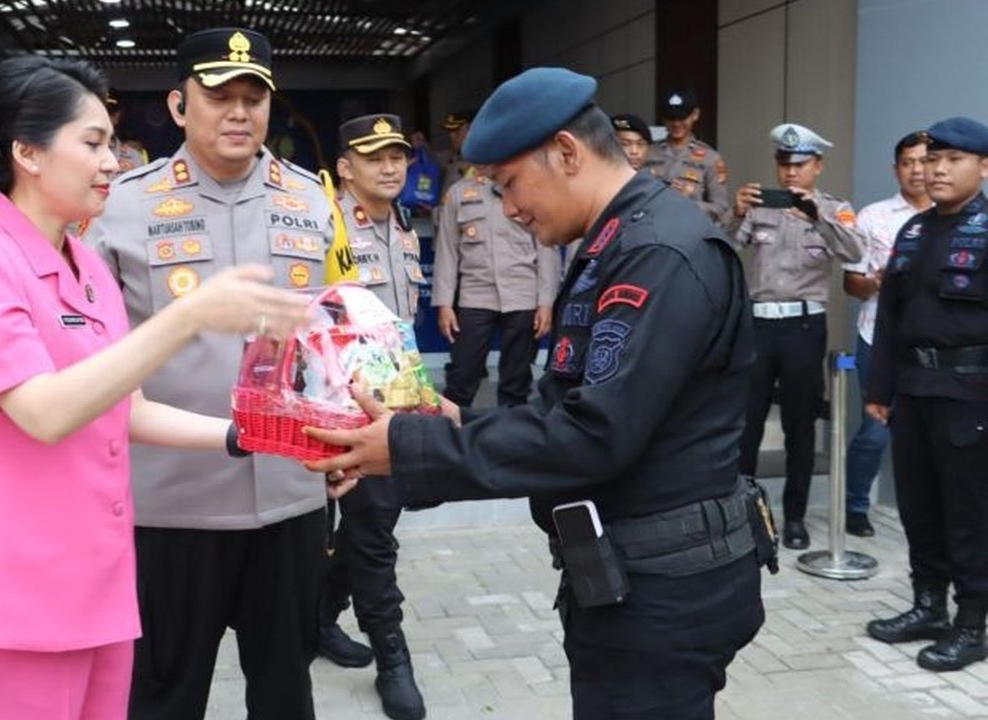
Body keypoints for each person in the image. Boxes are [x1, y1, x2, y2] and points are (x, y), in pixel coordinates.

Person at [308, 66, 767, 720]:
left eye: (509, 184)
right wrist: (456, 419)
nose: (510, 208)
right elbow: (567, 403)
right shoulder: (613, 243)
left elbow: (594, 435)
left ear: (567, 152)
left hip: (667, 590)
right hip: (628, 576)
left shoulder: (661, 252)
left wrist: (414, 447)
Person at [0, 56, 309, 720]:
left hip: (100, 575)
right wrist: (188, 317)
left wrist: (247, 437)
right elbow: (44, 411)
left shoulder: (85, 268)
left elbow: (127, 408)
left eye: (111, 143)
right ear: (27, 153)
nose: (112, 162)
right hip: (18, 582)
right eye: (93, 143)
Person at [86, 28, 345, 720]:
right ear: (177, 106)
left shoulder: (313, 199)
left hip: (290, 498)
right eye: (219, 96)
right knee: (163, 695)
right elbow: (98, 363)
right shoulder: (120, 207)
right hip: (173, 505)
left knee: (287, 690)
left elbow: (336, 336)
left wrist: (354, 430)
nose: (238, 112)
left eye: (253, 98)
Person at [863, 116, 988, 673]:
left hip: (972, 393)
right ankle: (928, 606)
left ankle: (972, 623)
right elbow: (890, 317)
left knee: (969, 513)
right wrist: (881, 387)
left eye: (952, 160)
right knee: (919, 506)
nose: (936, 170)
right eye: (930, 160)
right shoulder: (914, 232)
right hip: (914, 390)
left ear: (982, 168)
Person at [317, 113, 427, 720]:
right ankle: (394, 658)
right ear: (345, 167)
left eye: (398, 156)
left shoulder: (403, 225)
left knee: (364, 528)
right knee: (374, 531)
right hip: (342, 405)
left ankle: (318, 620)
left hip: (396, 401)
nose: (390, 167)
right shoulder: (325, 224)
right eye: (374, 157)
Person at [729, 122, 865, 549]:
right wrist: (734, 212)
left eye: (800, 164)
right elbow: (726, 249)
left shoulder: (835, 208)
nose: (790, 173)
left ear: (818, 166)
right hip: (758, 324)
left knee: (799, 425)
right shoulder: (760, 206)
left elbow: (855, 252)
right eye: (784, 164)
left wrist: (817, 217)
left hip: (804, 328)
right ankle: (744, 513)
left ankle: (795, 517)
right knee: (747, 424)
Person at [841, 132, 931, 537]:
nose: (917, 170)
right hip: (878, 338)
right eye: (907, 162)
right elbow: (851, 284)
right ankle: (856, 505)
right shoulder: (873, 217)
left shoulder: (955, 217)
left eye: (923, 161)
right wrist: (879, 280)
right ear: (896, 169)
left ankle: (930, 511)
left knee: (930, 433)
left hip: (934, 346)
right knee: (875, 432)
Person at [433, 168, 559, 407]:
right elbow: (447, 251)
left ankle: (510, 439)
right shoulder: (458, 193)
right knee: (462, 373)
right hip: (475, 295)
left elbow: (546, 248)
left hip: (524, 294)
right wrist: (444, 304)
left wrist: (546, 302)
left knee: (516, 379)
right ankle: (451, 434)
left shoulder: (528, 188)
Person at [645, 88, 730, 222]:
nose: (676, 123)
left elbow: (720, 208)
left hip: (690, 232)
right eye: (671, 118)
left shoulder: (711, 158)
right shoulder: (647, 153)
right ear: (663, 118)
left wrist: (689, 203)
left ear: (695, 114)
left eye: (682, 117)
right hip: (651, 228)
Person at [106, 89, 149, 173]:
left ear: (117, 116)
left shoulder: (134, 157)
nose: (102, 118)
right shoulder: (77, 154)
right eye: (96, 112)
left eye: (109, 113)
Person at [439, 109, 475, 192]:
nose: (451, 136)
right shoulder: (452, 157)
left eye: (456, 131)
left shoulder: (487, 163)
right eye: (449, 132)